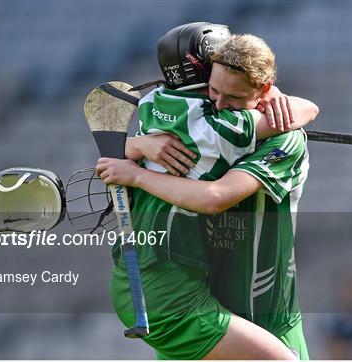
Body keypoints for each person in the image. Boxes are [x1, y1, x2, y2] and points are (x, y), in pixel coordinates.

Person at [99, 24, 318, 360]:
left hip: (265, 316)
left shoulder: (283, 139)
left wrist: (136, 156)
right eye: (212, 91)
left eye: (233, 97)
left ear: (264, 90)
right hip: (201, 298)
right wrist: (139, 145)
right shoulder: (200, 124)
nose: (217, 105)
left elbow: (215, 196)